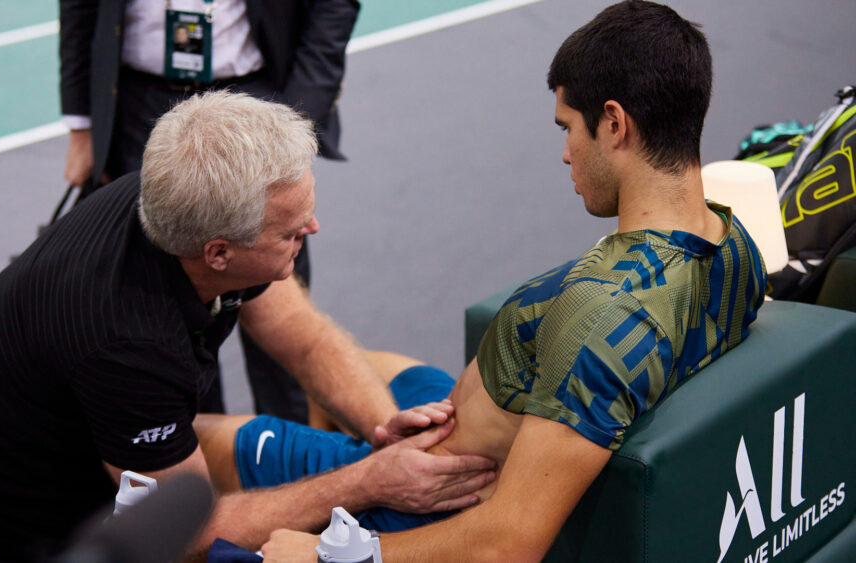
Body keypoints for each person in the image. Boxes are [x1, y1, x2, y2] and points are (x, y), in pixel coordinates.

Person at [0, 92, 496, 562]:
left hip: (55, 463)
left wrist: (383, 427)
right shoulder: (127, 344)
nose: (313, 228)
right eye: (291, 230)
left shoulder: (183, 197)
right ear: (219, 252)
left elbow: (298, 333)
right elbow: (191, 531)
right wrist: (371, 481)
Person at [233, 1, 768, 560]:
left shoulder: (605, 314)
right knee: (360, 366)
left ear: (614, 123)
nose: (565, 154)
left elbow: (506, 543)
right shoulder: (735, 245)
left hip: (424, 500)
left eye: (568, 128)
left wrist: (329, 556)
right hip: (474, 413)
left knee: (211, 456)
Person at [59, 0, 361, 424]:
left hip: (254, 101)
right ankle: (195, 441)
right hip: (139, 106)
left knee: (276, 284)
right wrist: (82, 126)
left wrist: (298, 117)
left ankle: (291, 445)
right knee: (166, 305)